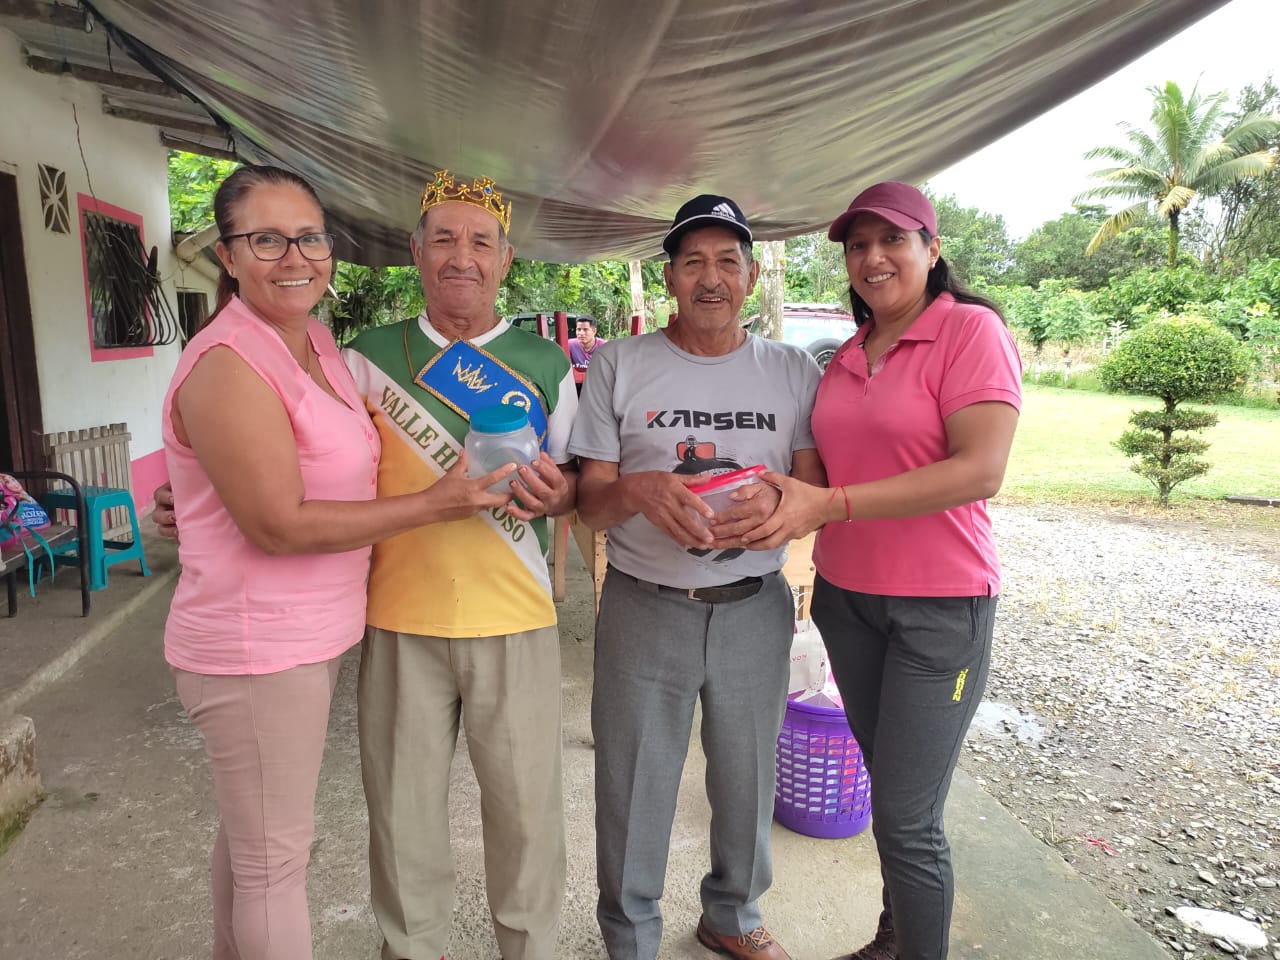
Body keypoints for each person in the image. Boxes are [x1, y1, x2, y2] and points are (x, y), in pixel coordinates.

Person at [162, 165, 527, 960]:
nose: (294, 257)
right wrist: (435, 503)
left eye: (310, 238)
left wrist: (187, 496)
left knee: (252, 846)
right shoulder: (229, 358)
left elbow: (283, 469)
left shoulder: (318, 344)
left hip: (307, 637)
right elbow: (277, 523)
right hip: (255, 643)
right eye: (266, 239)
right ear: (227, 255)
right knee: (273, 865)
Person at [740, 181, 1023, 960]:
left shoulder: (969, 331)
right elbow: (820, 468)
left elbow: (980, 470)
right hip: (849, 602)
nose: (873, 257)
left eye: (893, 239)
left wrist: (829, 504)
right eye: (858, 245)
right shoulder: (845, 356)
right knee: (889, 788)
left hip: (940, 608)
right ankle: (894, 938)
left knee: (906, 816)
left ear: (932, 249)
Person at [569, 194, 824, 960]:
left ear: (751, 276)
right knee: (634, 782)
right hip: (645, 606)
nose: (711, 278)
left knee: (748, 777)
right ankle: (630, 938)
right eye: (693, 262)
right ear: (670, 277)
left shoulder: (793, 370)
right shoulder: (619, 364)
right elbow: (589, 505)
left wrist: (781, 506)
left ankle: (733, 916)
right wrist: (640, 491)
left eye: (727, 261)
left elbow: (812, 491)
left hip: (755, 607)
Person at [343, 171, 578, 960]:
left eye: (481, 242)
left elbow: (578, 481)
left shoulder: (544, 362)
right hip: (399, 615)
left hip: (515, 616)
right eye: (443, 239)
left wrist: (559, 493)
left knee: (527, 816)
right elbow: (313, 465)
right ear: (415, 252)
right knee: (401, 817)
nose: (461, 257)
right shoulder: (368, 358)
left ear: (505, 259)